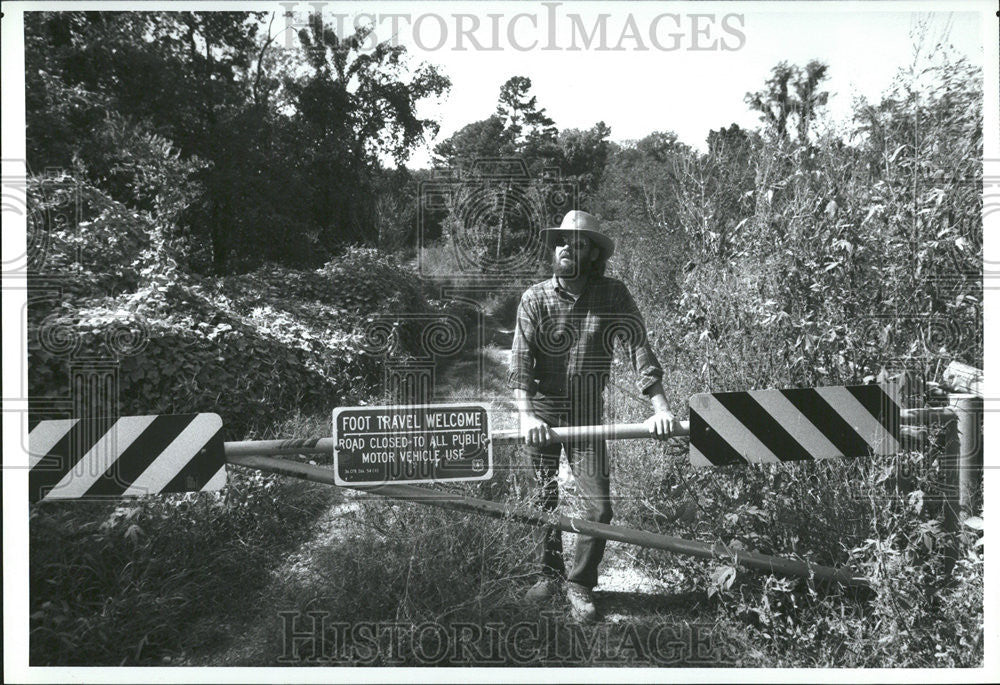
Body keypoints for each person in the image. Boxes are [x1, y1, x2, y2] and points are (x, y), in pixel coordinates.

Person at [508, 209, 680, 623]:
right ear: (554, 249)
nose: (568, 248)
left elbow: (639, 348)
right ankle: (546, 574)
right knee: (541, 499)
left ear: (593, 254)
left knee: (600, 508)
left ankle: (580, 582)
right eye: (563, 241)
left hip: (588, 413)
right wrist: (527, 416)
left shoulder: (612, 294)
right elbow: (519, 361)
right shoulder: (535, 298)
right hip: (544, 412)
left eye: (579, 243)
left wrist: (660, 408)